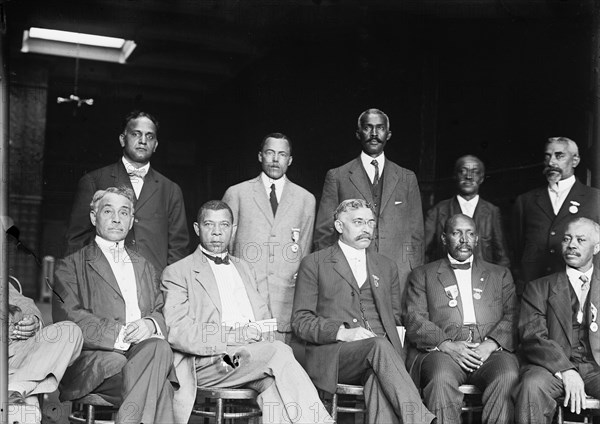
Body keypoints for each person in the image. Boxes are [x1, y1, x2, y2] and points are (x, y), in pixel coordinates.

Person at [161, 200, 331, 424]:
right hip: (214, 363)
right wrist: (235, 335)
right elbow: (178, 332)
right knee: (278, 352)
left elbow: (264, 319)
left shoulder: (245, 268)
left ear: (233, 230)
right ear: (197, 228)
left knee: (275, 387)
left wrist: (262, 338)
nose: (216, 232)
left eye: (223, 225)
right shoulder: (177, 272)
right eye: (209, 225)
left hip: (250, 359)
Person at [293, 199, 436, 424]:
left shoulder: (386, 266)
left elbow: (396, 319)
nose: (367, 228)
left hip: (380, 358)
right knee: (378, 345)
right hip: (336, 355)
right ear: (339, 226)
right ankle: (422, 420)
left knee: (378, 380)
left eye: (370, 222)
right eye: (358, 222)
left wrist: (397, 357)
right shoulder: (314, 263)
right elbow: (301, 321)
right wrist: (342, 332)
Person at [54, 186, 176, 424]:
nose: (116, 219)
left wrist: (151, 324)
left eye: (124, 213)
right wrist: (121, 335)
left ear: (132, 221)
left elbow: (160, 309)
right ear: (93, 216)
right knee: (161, 385)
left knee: (159, 349)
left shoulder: (146, 266)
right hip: (96, 363)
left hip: (144, 354)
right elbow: (70, 319)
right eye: (108, 211)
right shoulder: (70, 266)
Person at [405, 214, 518, 424]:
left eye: (470, 234)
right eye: (457, 233)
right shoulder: (423, 274)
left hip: (489, 351)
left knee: (507, 375)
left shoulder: (500, 274)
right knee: (440, 379)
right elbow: (415, 319)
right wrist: (447, 345)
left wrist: (490, 344)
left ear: (477, 239)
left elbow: (513, 315)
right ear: (444, 238)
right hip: (444, 352)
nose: (464, 239)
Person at [313, 108, 424, 297]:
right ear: (358, 134)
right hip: (349, 275)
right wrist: (330, 274)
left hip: (398, 277)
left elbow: (416, 236)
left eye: (380, 128)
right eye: (368, 128)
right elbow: (324, 233)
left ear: (388, 134)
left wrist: (414, 276)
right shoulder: (338, 176)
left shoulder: (406, 178)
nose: (374, 134)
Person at [63, 110, 189, 272]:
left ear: (156, 145)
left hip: (154, 287)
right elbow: (76, 241)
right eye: (136, 134)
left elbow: (178, 248)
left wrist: (171, 289)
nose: (143, 141)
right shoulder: (93, 181)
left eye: (149, 136)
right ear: (123, 139)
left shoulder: (171, 190)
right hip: (104, 283)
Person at [222, 133, 316, 341]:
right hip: (246, 300)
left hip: (286, 302)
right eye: (270, 153)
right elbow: (223, 251)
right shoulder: (237, 193)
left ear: (290, 160)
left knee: (285, 364)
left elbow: (304, 254)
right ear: (260, 156)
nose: (275, 159)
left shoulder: (305, 199)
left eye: (282, 154)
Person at [515, 217, 600, 424]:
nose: (572, 245)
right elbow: (533, 337)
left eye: (581, 240)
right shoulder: (538, 288)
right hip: (551, 368)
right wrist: (565, 370)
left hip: (596, 368)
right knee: (531, 386)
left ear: (596, 248)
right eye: (567, 239)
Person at [512, 137, 600, 291]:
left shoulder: (595, 198)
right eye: (547, 156)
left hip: (578, 290)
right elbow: (517, 248)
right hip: (535, 289)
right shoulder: (526, 201)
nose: (551, 162)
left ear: (575, 160)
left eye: (559, 156)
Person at [8, 284, 83, 424]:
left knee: (70, 331)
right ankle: (16, 392)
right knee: (27, 410)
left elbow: (23, 302)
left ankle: (15, 389)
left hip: (16, 352)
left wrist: (33, 320)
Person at [424, 155, 510, 267]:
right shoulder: (438, 210)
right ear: (455, 176)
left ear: (482, 178)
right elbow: (423, 250)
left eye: (475, 172)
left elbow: (502, 255)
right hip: (444, 279)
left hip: (482, 281)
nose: (468, 176)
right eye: (463, 171)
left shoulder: (492, 211)